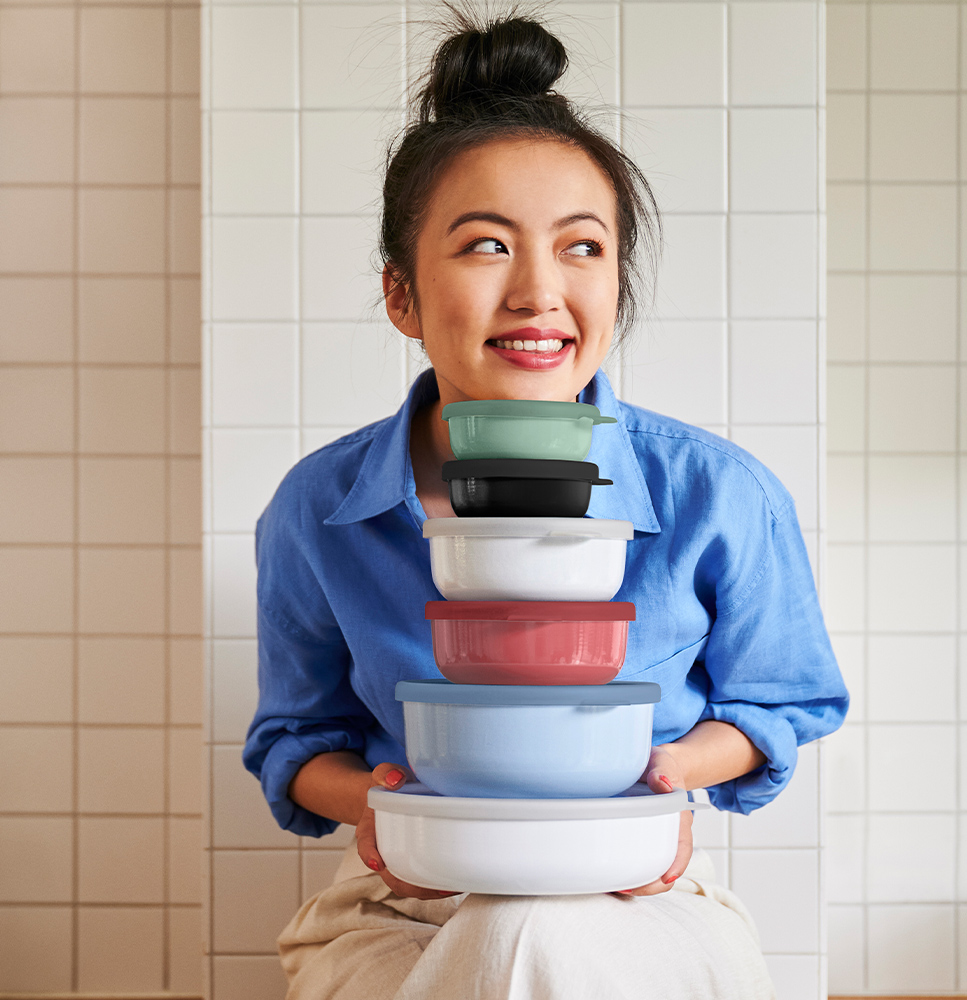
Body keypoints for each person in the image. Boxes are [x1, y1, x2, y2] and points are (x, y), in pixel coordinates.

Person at [244, 7, 849, 998]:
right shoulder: (322, 508)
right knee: (501, 945)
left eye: (582, 248)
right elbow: (293, 739)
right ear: (401, 292)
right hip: (403, 901)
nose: (538, 290)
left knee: (537, 939)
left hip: (636, 890)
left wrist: (662, 777)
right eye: (486, 246)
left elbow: (781, 701)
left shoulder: (715, 493)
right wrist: (389, 807)